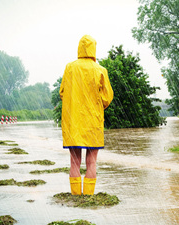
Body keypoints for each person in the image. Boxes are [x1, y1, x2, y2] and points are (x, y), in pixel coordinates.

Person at [59, 35, 113, 196]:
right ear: (93, 49)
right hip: (93, 122)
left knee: (74, 162)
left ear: (79, 48)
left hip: (73, 122)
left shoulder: (70, 68)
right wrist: (96, 105)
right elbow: (107, 97)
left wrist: (74, 102)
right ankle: (89, 197)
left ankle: (76, 197)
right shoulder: (100, 70)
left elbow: (62, 93)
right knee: (92, 162)